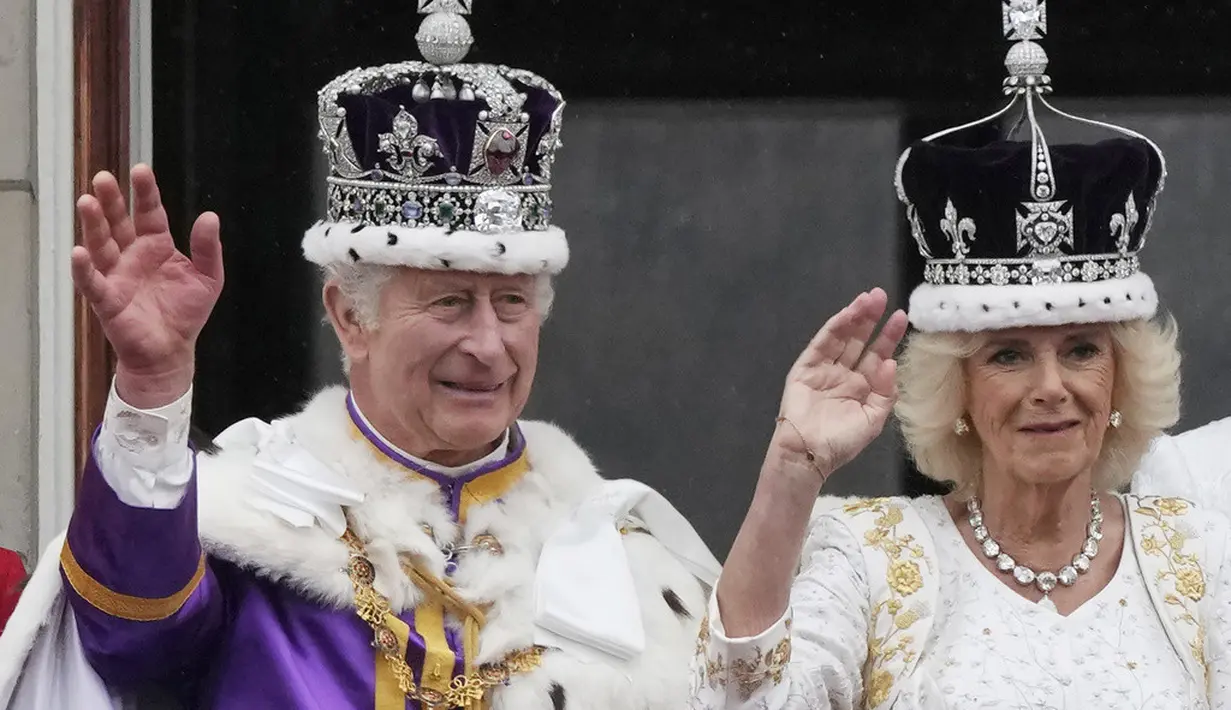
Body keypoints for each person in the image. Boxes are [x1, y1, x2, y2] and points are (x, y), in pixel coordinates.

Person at [0, 3, 720, 708]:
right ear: (350, 318)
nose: (487, 343)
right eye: (448, 301)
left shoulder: (616, 553)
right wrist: (152, 385)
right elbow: (129, 638)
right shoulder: (257, 518)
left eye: (511, 303)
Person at [689, 5, 1230, 709]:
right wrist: (791, 471)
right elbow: (739, 703)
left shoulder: (1199, 556)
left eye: (1080, 350)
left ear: (1122, 374)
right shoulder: (870, 554)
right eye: (1007, 355)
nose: (1050, 387)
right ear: (957, 389)